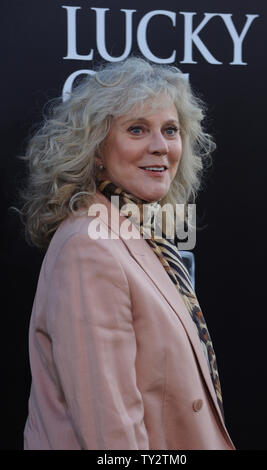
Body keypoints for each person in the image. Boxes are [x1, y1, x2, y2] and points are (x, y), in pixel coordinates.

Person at [19, 57, 234, 450]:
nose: (161, 147)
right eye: (137, 129)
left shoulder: (137, 231)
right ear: (96, 148)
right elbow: (110, 436)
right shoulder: (90, 247)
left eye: (170, 130)